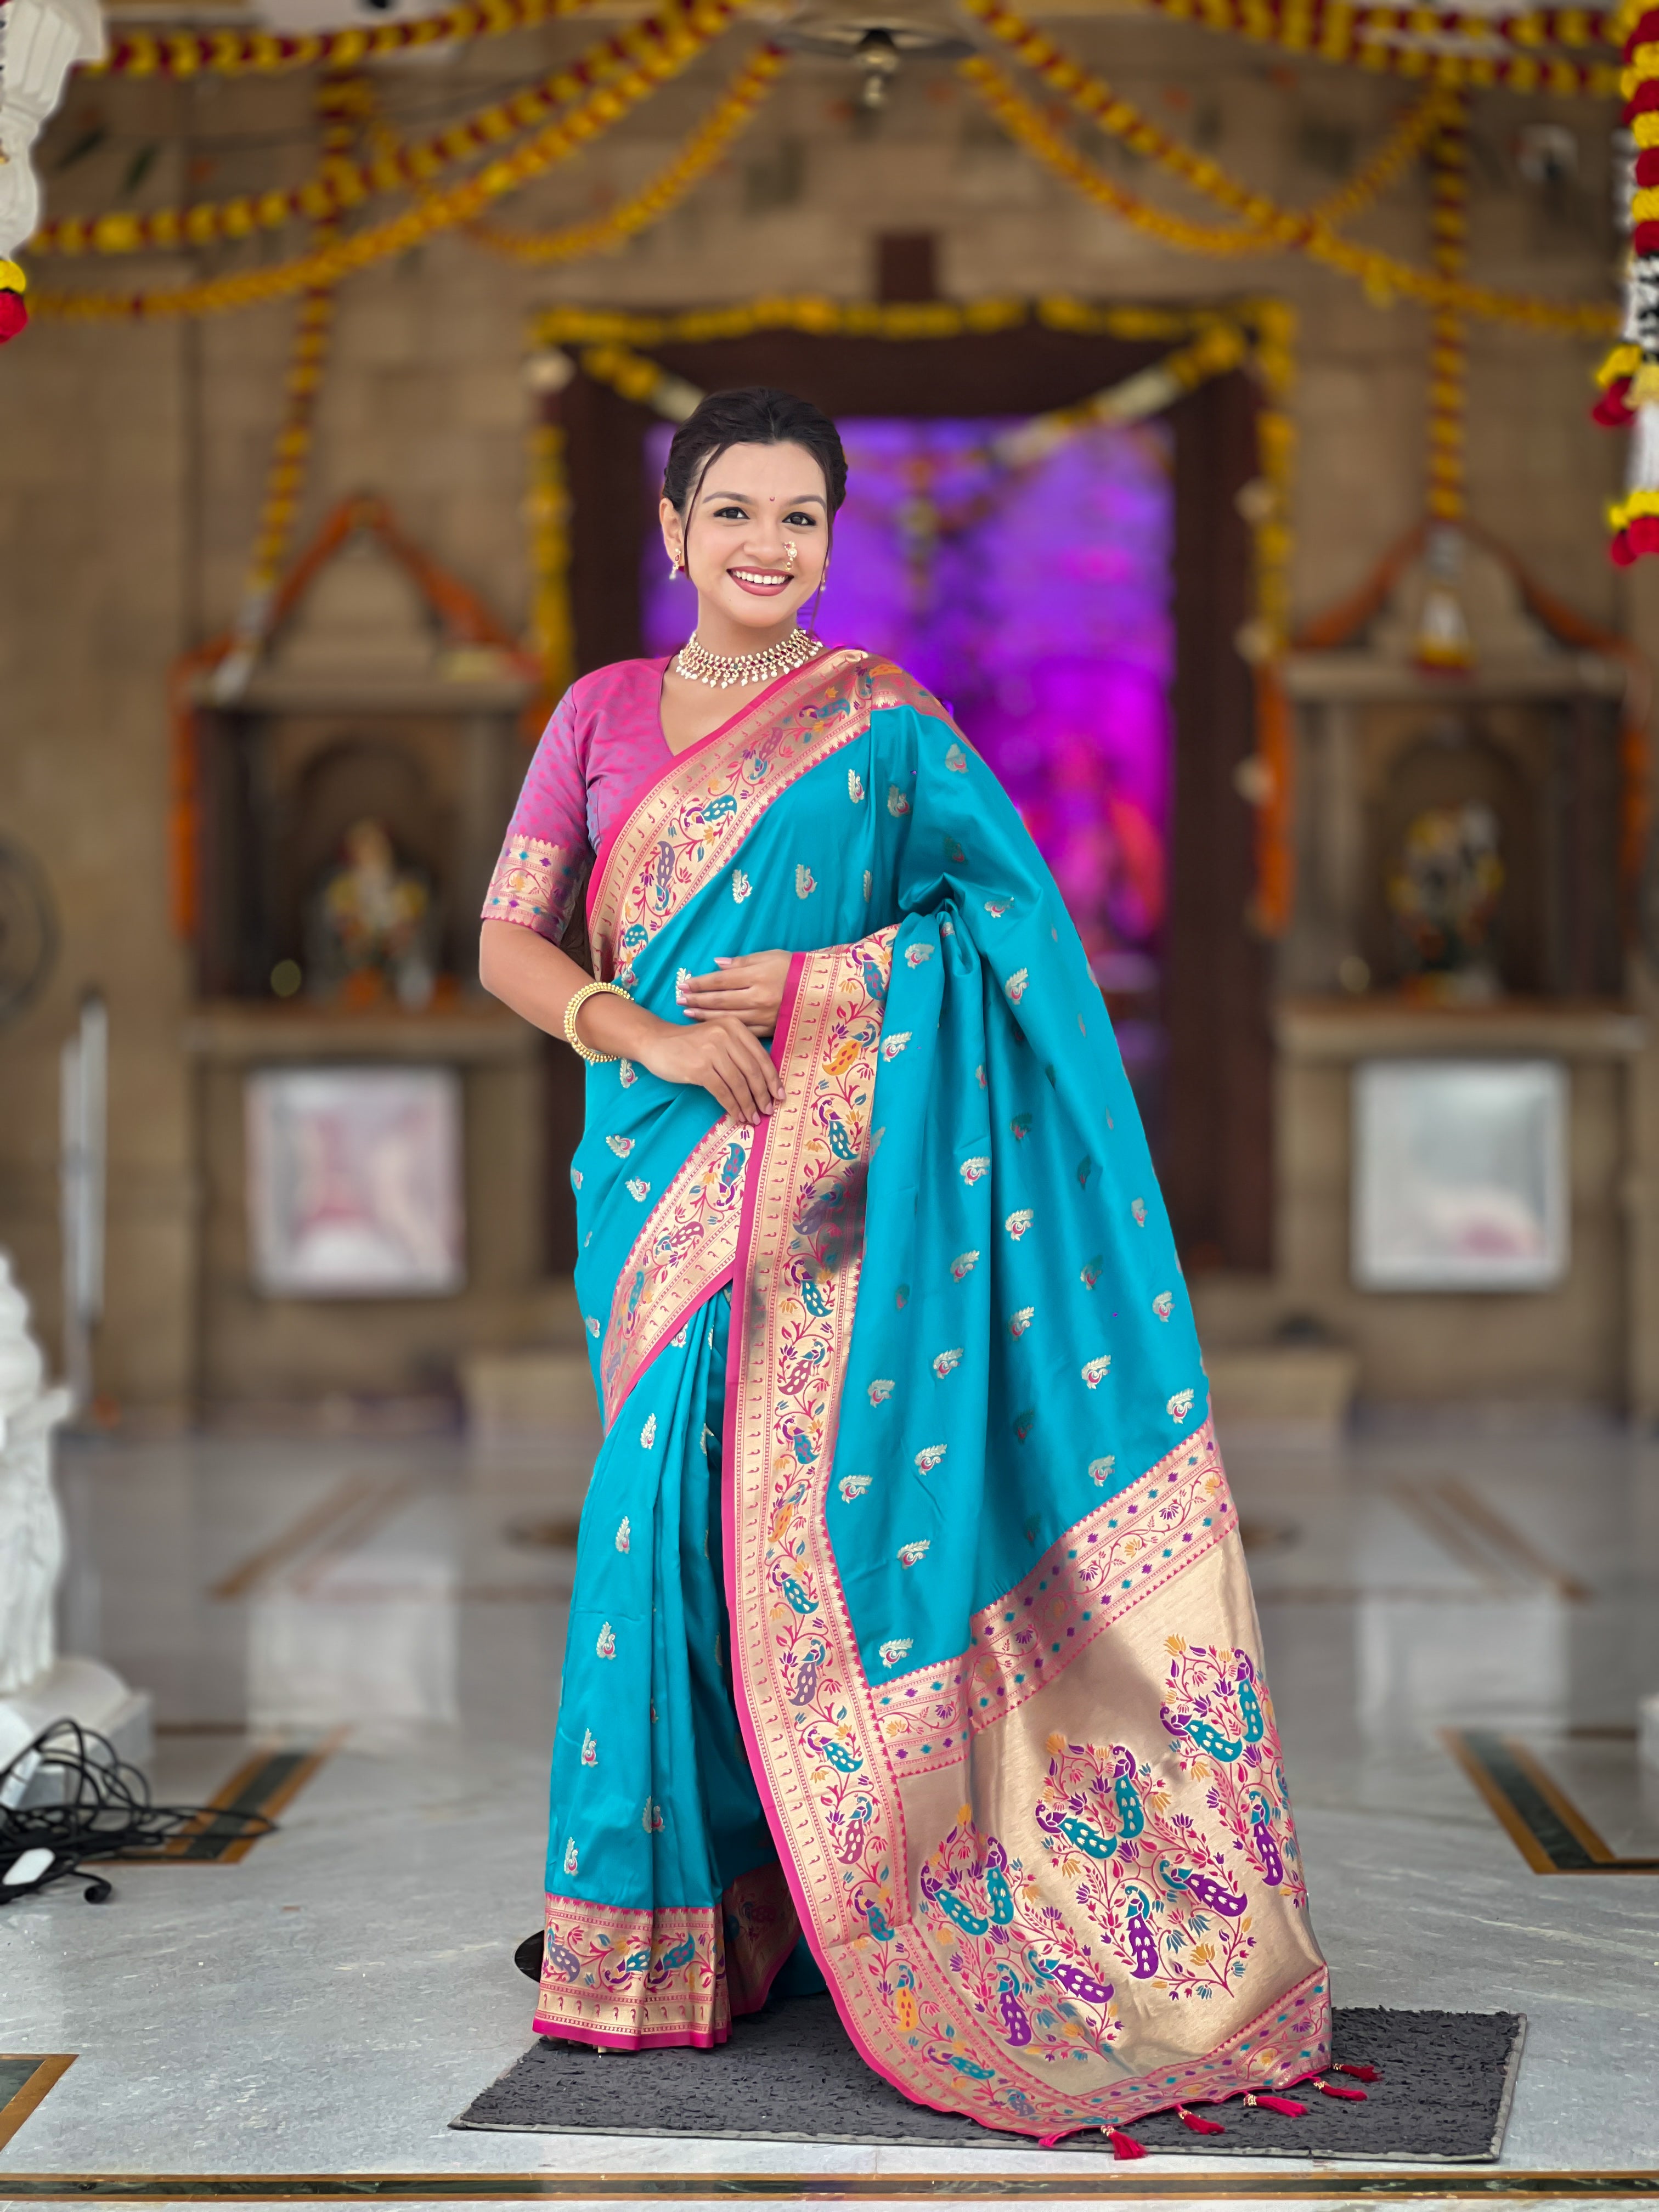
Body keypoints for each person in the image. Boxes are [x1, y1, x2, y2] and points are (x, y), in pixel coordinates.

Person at [478, 385, 1329, 2141]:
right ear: (673, 530)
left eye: (798, 517)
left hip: (841, 1197)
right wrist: (640, 1031)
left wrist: (833, 989)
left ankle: (836, 1890)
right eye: (732, 512)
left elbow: (1012, 933)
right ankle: (676, 1923)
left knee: (811, 1543)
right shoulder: (598, 713)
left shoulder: (883, 727)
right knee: (659, 1536)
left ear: (829, 538)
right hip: (654, 1184)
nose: (765, 545)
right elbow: (509, 935)